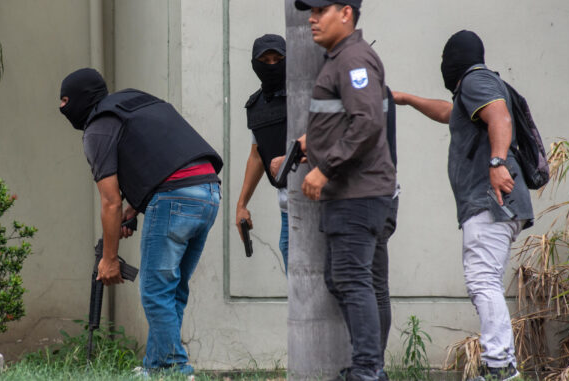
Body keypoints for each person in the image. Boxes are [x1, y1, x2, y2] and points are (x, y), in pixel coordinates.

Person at [58, 68, 223, 377]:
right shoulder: (135, 102)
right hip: (209, 192)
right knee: (172, 291)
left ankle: (177, 368)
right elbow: (160, 156)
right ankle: (157, 367)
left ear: (81, 98)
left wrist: (109, 259)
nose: (61, 107)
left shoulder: (97, 128)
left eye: (65, 100)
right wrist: (136, 209)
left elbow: (110, 202)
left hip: (174, 197)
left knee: (155, 291)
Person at [393, 30, 533, 381]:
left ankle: (501, 367)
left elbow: (499, 118)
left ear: (455, 59)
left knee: (482, 281)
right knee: (484, 281)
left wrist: (497, 163)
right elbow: (449, 113)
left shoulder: (475, 80)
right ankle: (499, 366)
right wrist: (407, 98)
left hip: (491, 200)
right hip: (495, 202)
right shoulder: (474, 89)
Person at [292, 1, 397, 380]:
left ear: (346, 13)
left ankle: (367, 370)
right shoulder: (342, 58)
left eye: (321, 10)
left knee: (352, 280)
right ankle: (372, 367)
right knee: (349, 280)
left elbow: (367, 121)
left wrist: (325, 167)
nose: (312, 18)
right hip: (356, 193)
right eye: (311, 11)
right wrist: (316, 143)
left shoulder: (353, 59)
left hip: (358, 193)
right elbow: (351, 119)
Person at [236, 34, 289, 274]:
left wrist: (290, 158)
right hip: (288, 208)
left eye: (277, 59)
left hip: (319, 206)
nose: (271, 65)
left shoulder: (304, 94)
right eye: (265, 60)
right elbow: (257, 155)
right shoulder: (256, 106)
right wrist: (241, 204)